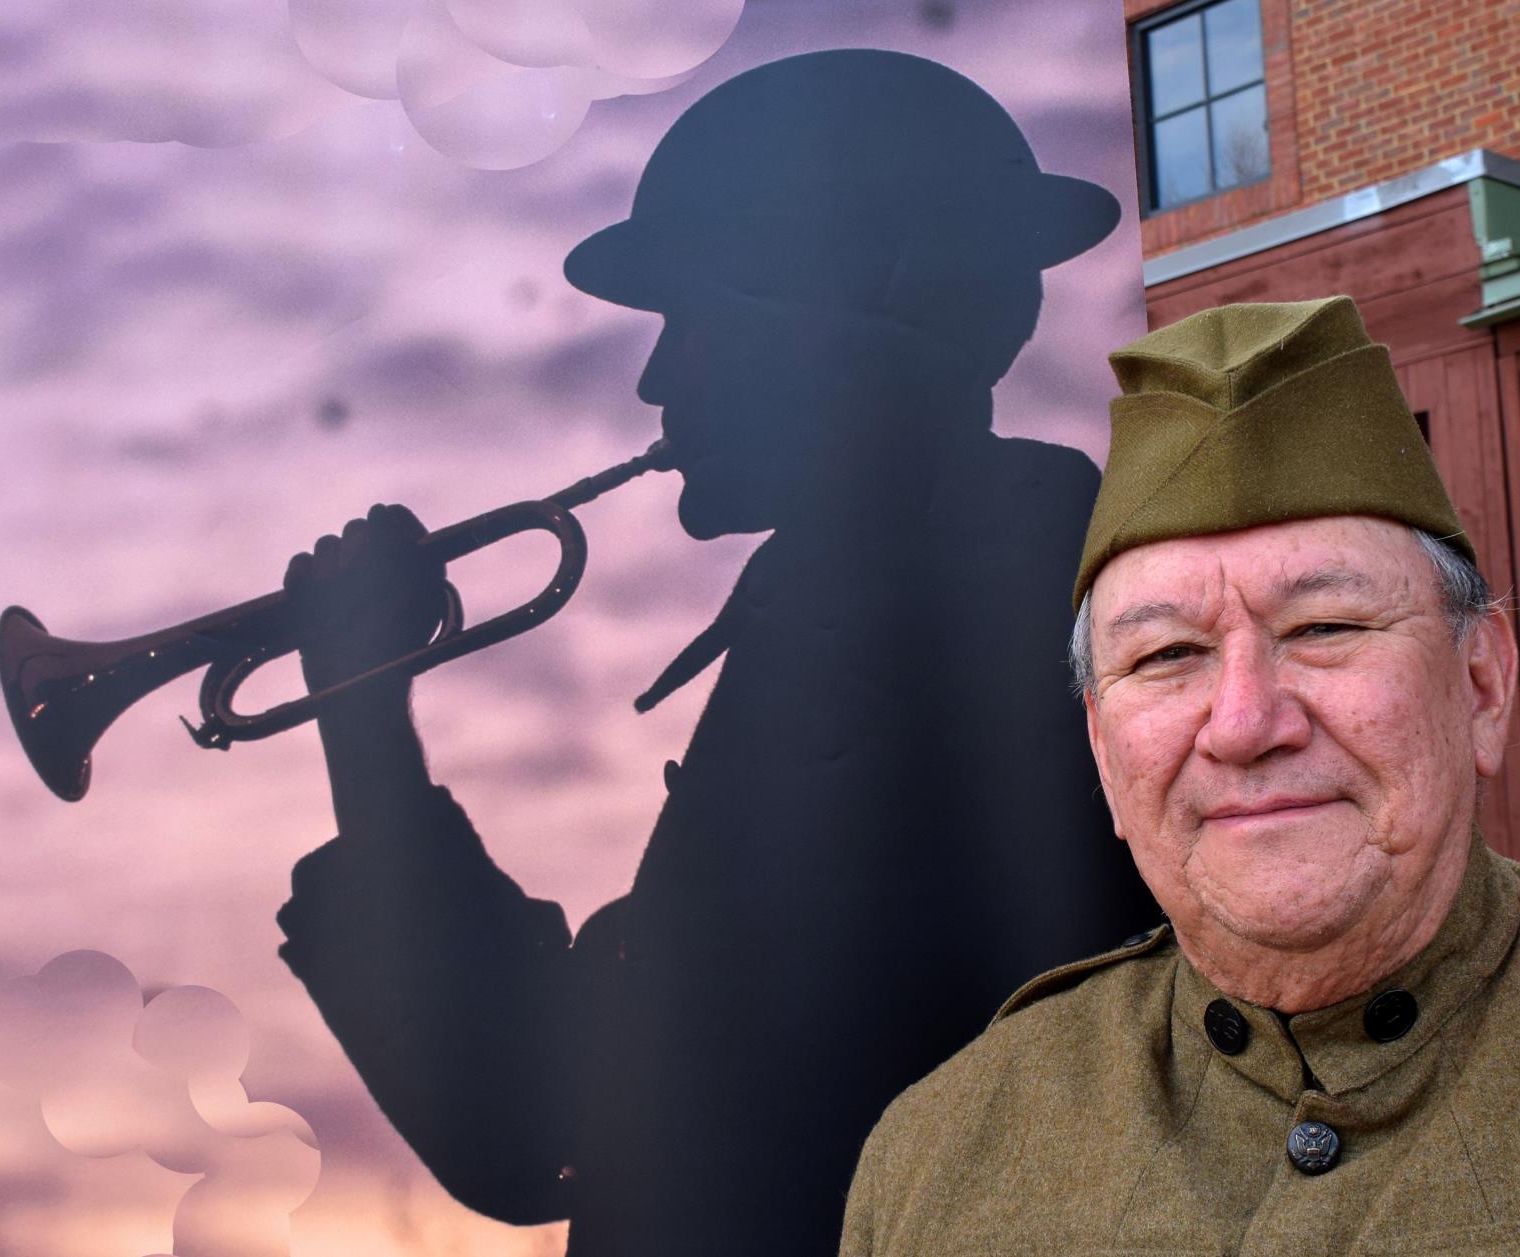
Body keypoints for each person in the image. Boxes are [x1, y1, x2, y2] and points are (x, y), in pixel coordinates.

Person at [272, 51, 1157, 1256]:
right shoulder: (940, 583)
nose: (654, 374)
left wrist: (363, 725)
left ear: (839, 314)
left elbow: (547, 1124)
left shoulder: (912, 616)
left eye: (693, 319)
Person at [839, 296, 1520, 1255]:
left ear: (1481, 685)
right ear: (1101, 745)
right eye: (1169, 654)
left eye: (1325, 628)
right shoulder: (941, 1158)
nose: (1248, 723)